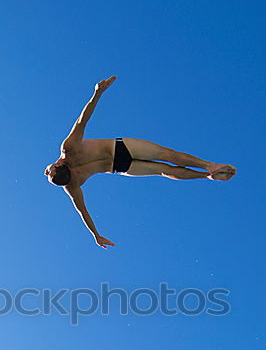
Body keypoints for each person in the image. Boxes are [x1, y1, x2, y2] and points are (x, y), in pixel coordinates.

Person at [44, 76, 237, 248]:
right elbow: (82, 121)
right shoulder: (68, 150)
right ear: (60, 164)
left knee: (163, 169)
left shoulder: (71, 184)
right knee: (166, 154)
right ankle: (209, 167)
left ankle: (206, 175)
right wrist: (97, 94)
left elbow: (82, 210)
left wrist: (96, 235)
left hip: (120, 166)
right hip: (119, 149)